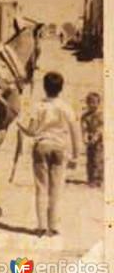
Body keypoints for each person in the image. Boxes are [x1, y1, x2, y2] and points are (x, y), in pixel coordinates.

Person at [17, 71, 80, 238]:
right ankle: (54, 226)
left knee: (41, 188)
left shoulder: (38, 106)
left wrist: (21, 127)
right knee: (56, 189)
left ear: (44, 88)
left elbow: (31, 131)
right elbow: (75, 132)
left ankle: (41, 227)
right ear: (61, 88)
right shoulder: (66, 107)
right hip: (59, 149)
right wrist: (76, 155)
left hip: (41, 147)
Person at [81, 91, 103, 187]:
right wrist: (85, 137)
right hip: (90, 138)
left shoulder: (100, 115)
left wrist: (96, 137)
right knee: (90, 159)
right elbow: (84, 128)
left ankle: (98, 179)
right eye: (90, 102)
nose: (92, 105)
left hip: (99, 140)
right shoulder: (85, 116)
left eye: (94, 102)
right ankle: (90, 178)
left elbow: (101, 128)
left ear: (98, 103)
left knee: (98, 159)